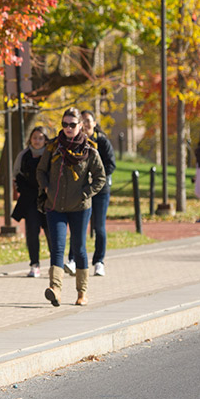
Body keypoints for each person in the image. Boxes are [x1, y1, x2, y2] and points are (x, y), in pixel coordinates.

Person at [36, 108, 106, 307]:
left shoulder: (89, 150)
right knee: (57, 248)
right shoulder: (53, 147)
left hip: (80, 207)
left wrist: (85, 193)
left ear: (80, 126)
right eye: (64, 124)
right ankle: (55, 289)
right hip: (55, 205)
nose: (67, 128)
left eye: (72, 125)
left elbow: (100, 178)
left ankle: (82, 292)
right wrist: (47, 187)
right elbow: (40, 171)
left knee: (79, 248)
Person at [63, 111, 115, 277]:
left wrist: (94, 177)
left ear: (94, 122)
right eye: (82, 121)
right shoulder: (76, 142)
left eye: (88, 121)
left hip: (99, 191)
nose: (85, 124)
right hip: (80, 192)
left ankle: (99, 261)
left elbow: (110, 165)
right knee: (78, 228)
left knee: (99, 227)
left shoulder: (102, 141)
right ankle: (72, 260)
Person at [11, 126, 50, 278]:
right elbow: (16, 174)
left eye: (41, 138)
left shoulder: (50, 154)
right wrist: (22, 188)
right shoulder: (24, 155)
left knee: (51, 232)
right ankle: (34, 264)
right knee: (32, 232)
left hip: (47, 199)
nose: (37, 141)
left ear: (45, 140)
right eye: (35, 137)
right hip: (30, 199)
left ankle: (56, 264)